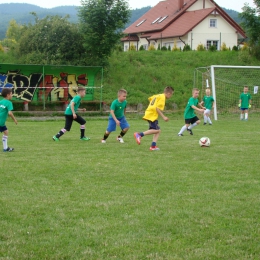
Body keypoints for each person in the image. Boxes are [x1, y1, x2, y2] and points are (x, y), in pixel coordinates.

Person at [134, 86, 174, 151]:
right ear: (169, 93)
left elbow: (150, 98)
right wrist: (164, 117)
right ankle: (139, 134)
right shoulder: (162, 98)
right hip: (152, 114)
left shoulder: (158, 95)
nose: (171, 96)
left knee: (158, 131)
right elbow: (157, 108)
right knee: (157, 130)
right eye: (171, 94)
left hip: (149, 112)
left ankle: (153, 146)